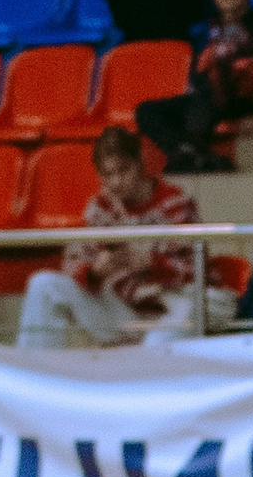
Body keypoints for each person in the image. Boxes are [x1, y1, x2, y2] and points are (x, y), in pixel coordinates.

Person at [16, 128, 224, 346]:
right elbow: (72, 265)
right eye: (107, 175)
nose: (115, 182)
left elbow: (199, 271)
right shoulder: (100, 207)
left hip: (175, 306)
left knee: (159, 339)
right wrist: (94, 272)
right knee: (43, 284)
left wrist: (154, 262)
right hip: (124, 310)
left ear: (140, 163)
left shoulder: (176, 201)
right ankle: (35, 374)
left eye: (123, 171)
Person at [136, 0, 253, 173]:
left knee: (205, 96)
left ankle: (191, 155)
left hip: (238, 99)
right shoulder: (215, 23)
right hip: (210, 97)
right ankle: (188, 153)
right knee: (147, 111)